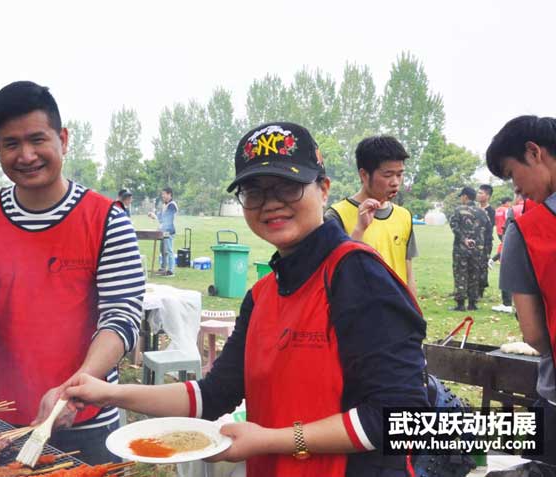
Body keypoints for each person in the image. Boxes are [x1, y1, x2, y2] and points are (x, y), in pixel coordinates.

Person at [65, 122, 427, 477]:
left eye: (288, 187)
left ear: (323, 189)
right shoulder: (263, 294)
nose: (270, 204)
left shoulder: (357, 275)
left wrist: (273, 440)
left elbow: (402, 419)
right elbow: (215, 394)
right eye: (254, 192)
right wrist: (107, 393)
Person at [0, 81, 145, 464]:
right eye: (11, 144)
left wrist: (75, 389)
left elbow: (122, 316)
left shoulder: (106, 220)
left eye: (37, 140)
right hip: (1, 421)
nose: (26, 155)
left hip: (89, 421)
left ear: (63, 139)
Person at [486, 115, 556, 465]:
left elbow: (534, 333)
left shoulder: (528, 230)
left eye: (513, 175)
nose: (518, 190)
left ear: (534, 152)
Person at [325, 136, 418, 295]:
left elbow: (408, 274)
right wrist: (359, 230)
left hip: (397, 313)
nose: (395, 182)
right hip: (359, 313)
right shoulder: (336, 216)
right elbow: (334, 272)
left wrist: (415, 314)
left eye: (400, 174)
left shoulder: (404, 216)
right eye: (388, 175)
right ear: (364, 175)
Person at [449, 187, 489, 311]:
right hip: (477, 249)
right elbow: (487, 227)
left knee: (461, 273)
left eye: (462, 196)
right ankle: (472, 303)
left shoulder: (458, 210)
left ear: (465, 197)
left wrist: (464, 239)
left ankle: (460, 304)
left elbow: (454, 227)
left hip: (461, 248)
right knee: (474, 274)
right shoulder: (482, 212)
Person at [147, 187, 178, 276]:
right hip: (163, 231)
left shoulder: (172, 205)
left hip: (169, 231)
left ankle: (171, 270)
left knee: (169, 250)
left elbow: (168, 219)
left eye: (164, 194)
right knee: (163, 250)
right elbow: (161, 219)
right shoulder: (165, 205)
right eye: (162, 194)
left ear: (169, 194)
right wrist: (154, 216)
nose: (162, 196)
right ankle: (163, 268)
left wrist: (156, 217)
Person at [477, 184, 495, 297]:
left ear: (487, 196)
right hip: (473, 243)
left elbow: (490, 227)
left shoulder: (491, 211)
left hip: (485, 243)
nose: (478, 195)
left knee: (482, 266)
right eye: (478, 192)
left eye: (481, 193)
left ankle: (480, 291)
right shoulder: (474, 208)